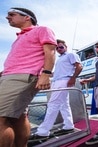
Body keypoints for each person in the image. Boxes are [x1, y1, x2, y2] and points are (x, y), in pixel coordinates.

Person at [0, 7, 56, 147]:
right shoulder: (19, 37)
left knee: (1, 118)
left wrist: (46, 74)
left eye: (12, 14)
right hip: (10, 76)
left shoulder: (41, 29)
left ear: (27, 17)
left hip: (22, 77)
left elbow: (50, 51)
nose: (8, 18)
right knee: (18, 117)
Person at [29, 39, 83, 141]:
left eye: (61, 47)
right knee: (64, 105)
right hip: (57, 81)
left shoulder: (71, 55)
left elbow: (79, 67)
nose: (59, 49)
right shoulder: (60, 59)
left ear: (66, 46)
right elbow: (57, 73)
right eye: (57, 48)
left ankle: (43, 132)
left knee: (53, 104)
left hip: (63, 81)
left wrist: (73, 78)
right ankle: (69, 125)